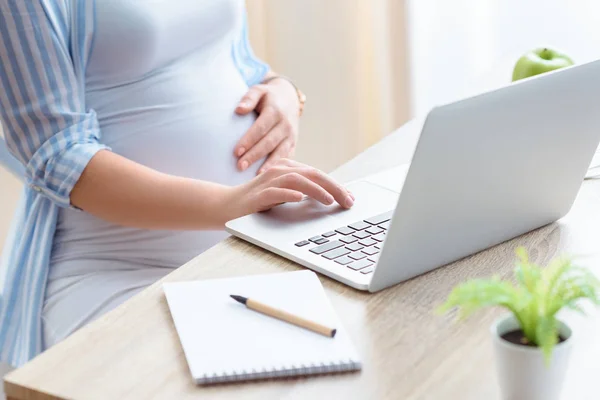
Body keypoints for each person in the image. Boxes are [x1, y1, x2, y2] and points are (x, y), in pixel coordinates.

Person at [0, 0, 354, 367]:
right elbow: (57, 154)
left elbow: (234, 59)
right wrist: (227, 204)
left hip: (243, 247)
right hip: (118, 267)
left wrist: (281, 90)